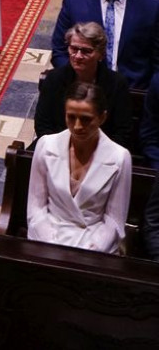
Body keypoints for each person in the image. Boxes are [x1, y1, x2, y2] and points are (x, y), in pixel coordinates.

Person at [27, 82, 132, 254]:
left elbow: (114, 220)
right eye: (71, 117)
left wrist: (90, 250)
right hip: (48, 240)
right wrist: (51, 243)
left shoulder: (120, 157)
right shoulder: (46, 145)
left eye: (86, 119)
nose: (77, 126)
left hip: (94, 247)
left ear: (102, 118)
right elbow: (36, 208)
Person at [51, 0, 159, 91]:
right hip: (83, 89)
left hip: (132, 91)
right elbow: (59, 51)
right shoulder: (74, 1)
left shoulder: (151, 6)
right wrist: (77, 79)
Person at [33, 22, 131, 151]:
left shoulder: (117, 84)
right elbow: (42, 124)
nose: (78, 56)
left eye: (86, 51)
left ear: (100, 54)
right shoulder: (54, 78)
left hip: (102, 153)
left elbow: (123, 132)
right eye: (74, 49)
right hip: (56, 149)